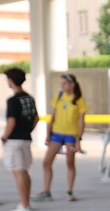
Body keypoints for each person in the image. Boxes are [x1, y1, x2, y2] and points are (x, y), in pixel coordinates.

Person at [36, 73, 88, 202]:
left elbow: (81, 121)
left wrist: (79, 139)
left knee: (70, 163)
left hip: (71, 135)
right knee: (46, 162)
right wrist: (48, 134)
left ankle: (69, 191)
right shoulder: (59, 96)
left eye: (65, 83)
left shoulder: (79, 100)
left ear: (72, 85)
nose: (62, 86)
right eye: (61, 83)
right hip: (56, 134)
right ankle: (46, 192)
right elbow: (52, 117)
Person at [0, 68, 38, 211]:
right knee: (24, 171)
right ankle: (26, 202)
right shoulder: (30, 98)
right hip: (26, 139)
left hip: (14, 140)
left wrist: (4, 137)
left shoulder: (13, 101)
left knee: (18, 171)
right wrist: (28, 130)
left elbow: (11, 121)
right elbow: (36, 118)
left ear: (11, 81)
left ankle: (24, 205)